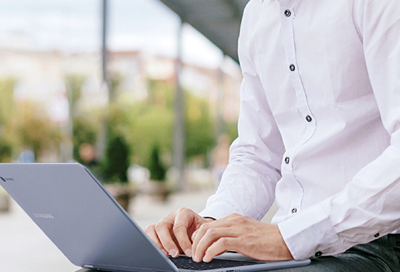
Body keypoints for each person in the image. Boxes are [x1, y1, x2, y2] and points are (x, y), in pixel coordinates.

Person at [145, 0, 400, 270]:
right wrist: (211, 224)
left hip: (377, 244)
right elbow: (258, 157)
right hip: (289, 244)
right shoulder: (256, 15)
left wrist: (292, 238)